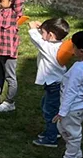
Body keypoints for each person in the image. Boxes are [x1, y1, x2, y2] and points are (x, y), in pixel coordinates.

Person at [46, 30, 83, 158]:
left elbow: (71, 92)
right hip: (81, 106)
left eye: (73, 47)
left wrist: (62, 112)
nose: (71, 49)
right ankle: (77, 156)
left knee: (72, 135)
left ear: (81, 51)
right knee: (64, 129)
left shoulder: (78, 69)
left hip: (72, 108)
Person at [29, 18, 70, 148]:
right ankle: (54, 131)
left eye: (43, 32)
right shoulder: (58, 46)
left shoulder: (49, 48)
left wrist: (33, 27)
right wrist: (43, 28)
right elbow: (42, 38)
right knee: (47, 106)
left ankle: (51, 138)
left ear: (51, 35)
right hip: (56, 84)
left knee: (50, 111)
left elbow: (36, 38)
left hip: (54, 85)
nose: (41, 34)